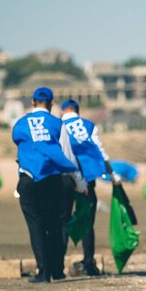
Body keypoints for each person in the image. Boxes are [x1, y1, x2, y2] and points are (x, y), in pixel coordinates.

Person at [13, 88, 84, 283]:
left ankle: (43, 271)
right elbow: (67, 155)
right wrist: (79, 181)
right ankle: (55, 268)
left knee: (35, 226)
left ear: (32, 102)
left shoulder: (19, 124)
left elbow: (21, 152)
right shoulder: (57, 124)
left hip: (28, 180)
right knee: (53, 225)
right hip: (52, 179)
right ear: (52, 104)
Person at [59, 98, 116, 276]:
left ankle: (57, 264)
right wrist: (112, 174)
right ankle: (88, 263)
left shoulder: (58, 125)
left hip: (65, 178)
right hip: (87, 179)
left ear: (62, 112)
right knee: (87, 222)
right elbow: (101, 152)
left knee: (63, 220)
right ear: (78, 111)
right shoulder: (89, 126)